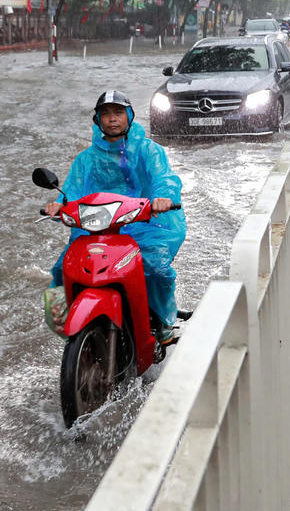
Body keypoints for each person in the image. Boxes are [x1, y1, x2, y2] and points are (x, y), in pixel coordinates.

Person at [45, 90, 187, 344]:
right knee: (62, 267)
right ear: (97, 120)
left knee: (154, 268)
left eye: (118, 113)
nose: (112, 119)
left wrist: (162, 198)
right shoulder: (86, 159)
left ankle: (164, 321)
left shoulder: (148, 150)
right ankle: (67, 321)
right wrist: (58, 205)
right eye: (106, 114)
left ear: (129, 116)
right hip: (98, 226)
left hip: (147, 222)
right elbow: (72, 191)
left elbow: (163, 178)